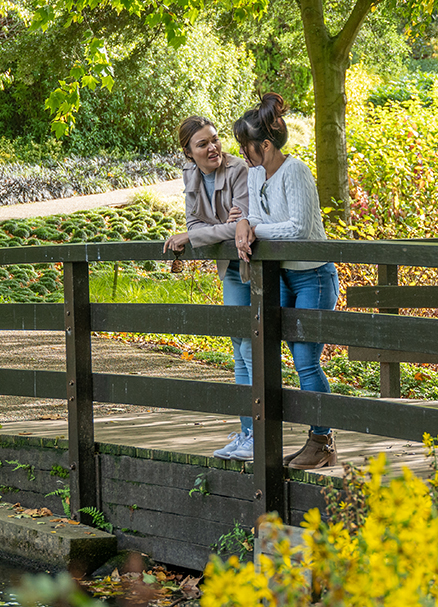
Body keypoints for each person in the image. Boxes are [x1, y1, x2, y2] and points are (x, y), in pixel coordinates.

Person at [230, 92, 340, 470]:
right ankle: (270, 434)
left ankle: (322, 441)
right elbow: (258, 217)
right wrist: (246, 222)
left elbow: (299, 229)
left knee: (306, 360)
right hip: (281, 275)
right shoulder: (256, 173)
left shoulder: (295, 171)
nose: (243, 154)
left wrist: (252, 225)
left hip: (313, 276)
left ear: (264, 144)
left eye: (247, 147)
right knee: (264, 349)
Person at [161, 117, 257, 462]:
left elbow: (244, 225)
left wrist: (207, 232)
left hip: (253, 267)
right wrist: (220, 228)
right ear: (188, 152)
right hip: (230, 270)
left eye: (214, 140)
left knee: (249, 347)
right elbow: (196, 225)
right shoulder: (190, 176)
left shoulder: (240, 171)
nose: (213, 148)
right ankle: (247, 432)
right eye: (202, 144)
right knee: (238, 347)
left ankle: (258, 435)